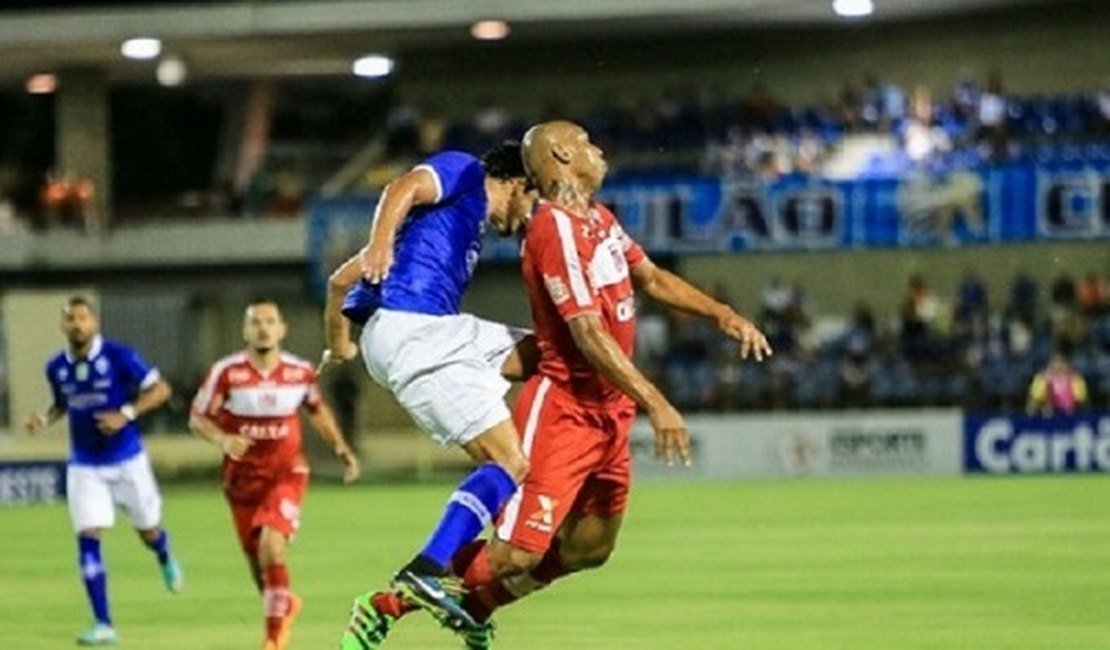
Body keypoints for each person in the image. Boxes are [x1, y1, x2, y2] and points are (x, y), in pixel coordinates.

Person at [448, 120, 771, 648]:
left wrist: (723, 315)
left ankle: (476, 604)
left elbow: (651, 278)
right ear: (560, 153)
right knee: (515, 555)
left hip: (609, 412)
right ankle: (398, 597)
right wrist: (657, 401)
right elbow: (588, 333)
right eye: (588, 144)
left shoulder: (597, 218)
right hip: (567, 409)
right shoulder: (552, 228)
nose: (599, 151)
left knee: (589, 547)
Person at [322, 142, 538, 648]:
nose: (531, 215)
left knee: (548, 354)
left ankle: (443, 593)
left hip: (422, 332)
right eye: (533, 199)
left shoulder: (435, 229)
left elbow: (337, 284)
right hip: (416, 333)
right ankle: (427, 567)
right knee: (509, 463)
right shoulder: (464, 171)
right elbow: (402, 187)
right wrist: (378, 244)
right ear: (515, 182)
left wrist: (340, 346)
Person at [190, 298, 361, 650]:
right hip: (241, 481)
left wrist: (340, 447)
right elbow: (197, 418)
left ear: (282, 329)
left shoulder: (299, 371)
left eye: (270, 321)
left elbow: (317, 410)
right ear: (245, 330)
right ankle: (284, 604)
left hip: (286, 474)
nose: (263, 327)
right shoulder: (227, 373)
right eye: (256, 322)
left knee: (272, 546)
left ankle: (273, 640)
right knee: (259, 568)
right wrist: (222, 438)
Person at [23, 295, 183, 647]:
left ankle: (164, 554)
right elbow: (63, 404)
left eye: (82, 317)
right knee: (87, 537)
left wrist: (125, 414)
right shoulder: (56, 367)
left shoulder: (119, 356)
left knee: (148, 531)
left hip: (127, 461)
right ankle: (103, 623)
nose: (77, 324)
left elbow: (161, 390)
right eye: (70, 319)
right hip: (85, 465)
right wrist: (44, 418)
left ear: (94, 323)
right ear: (62, 326)